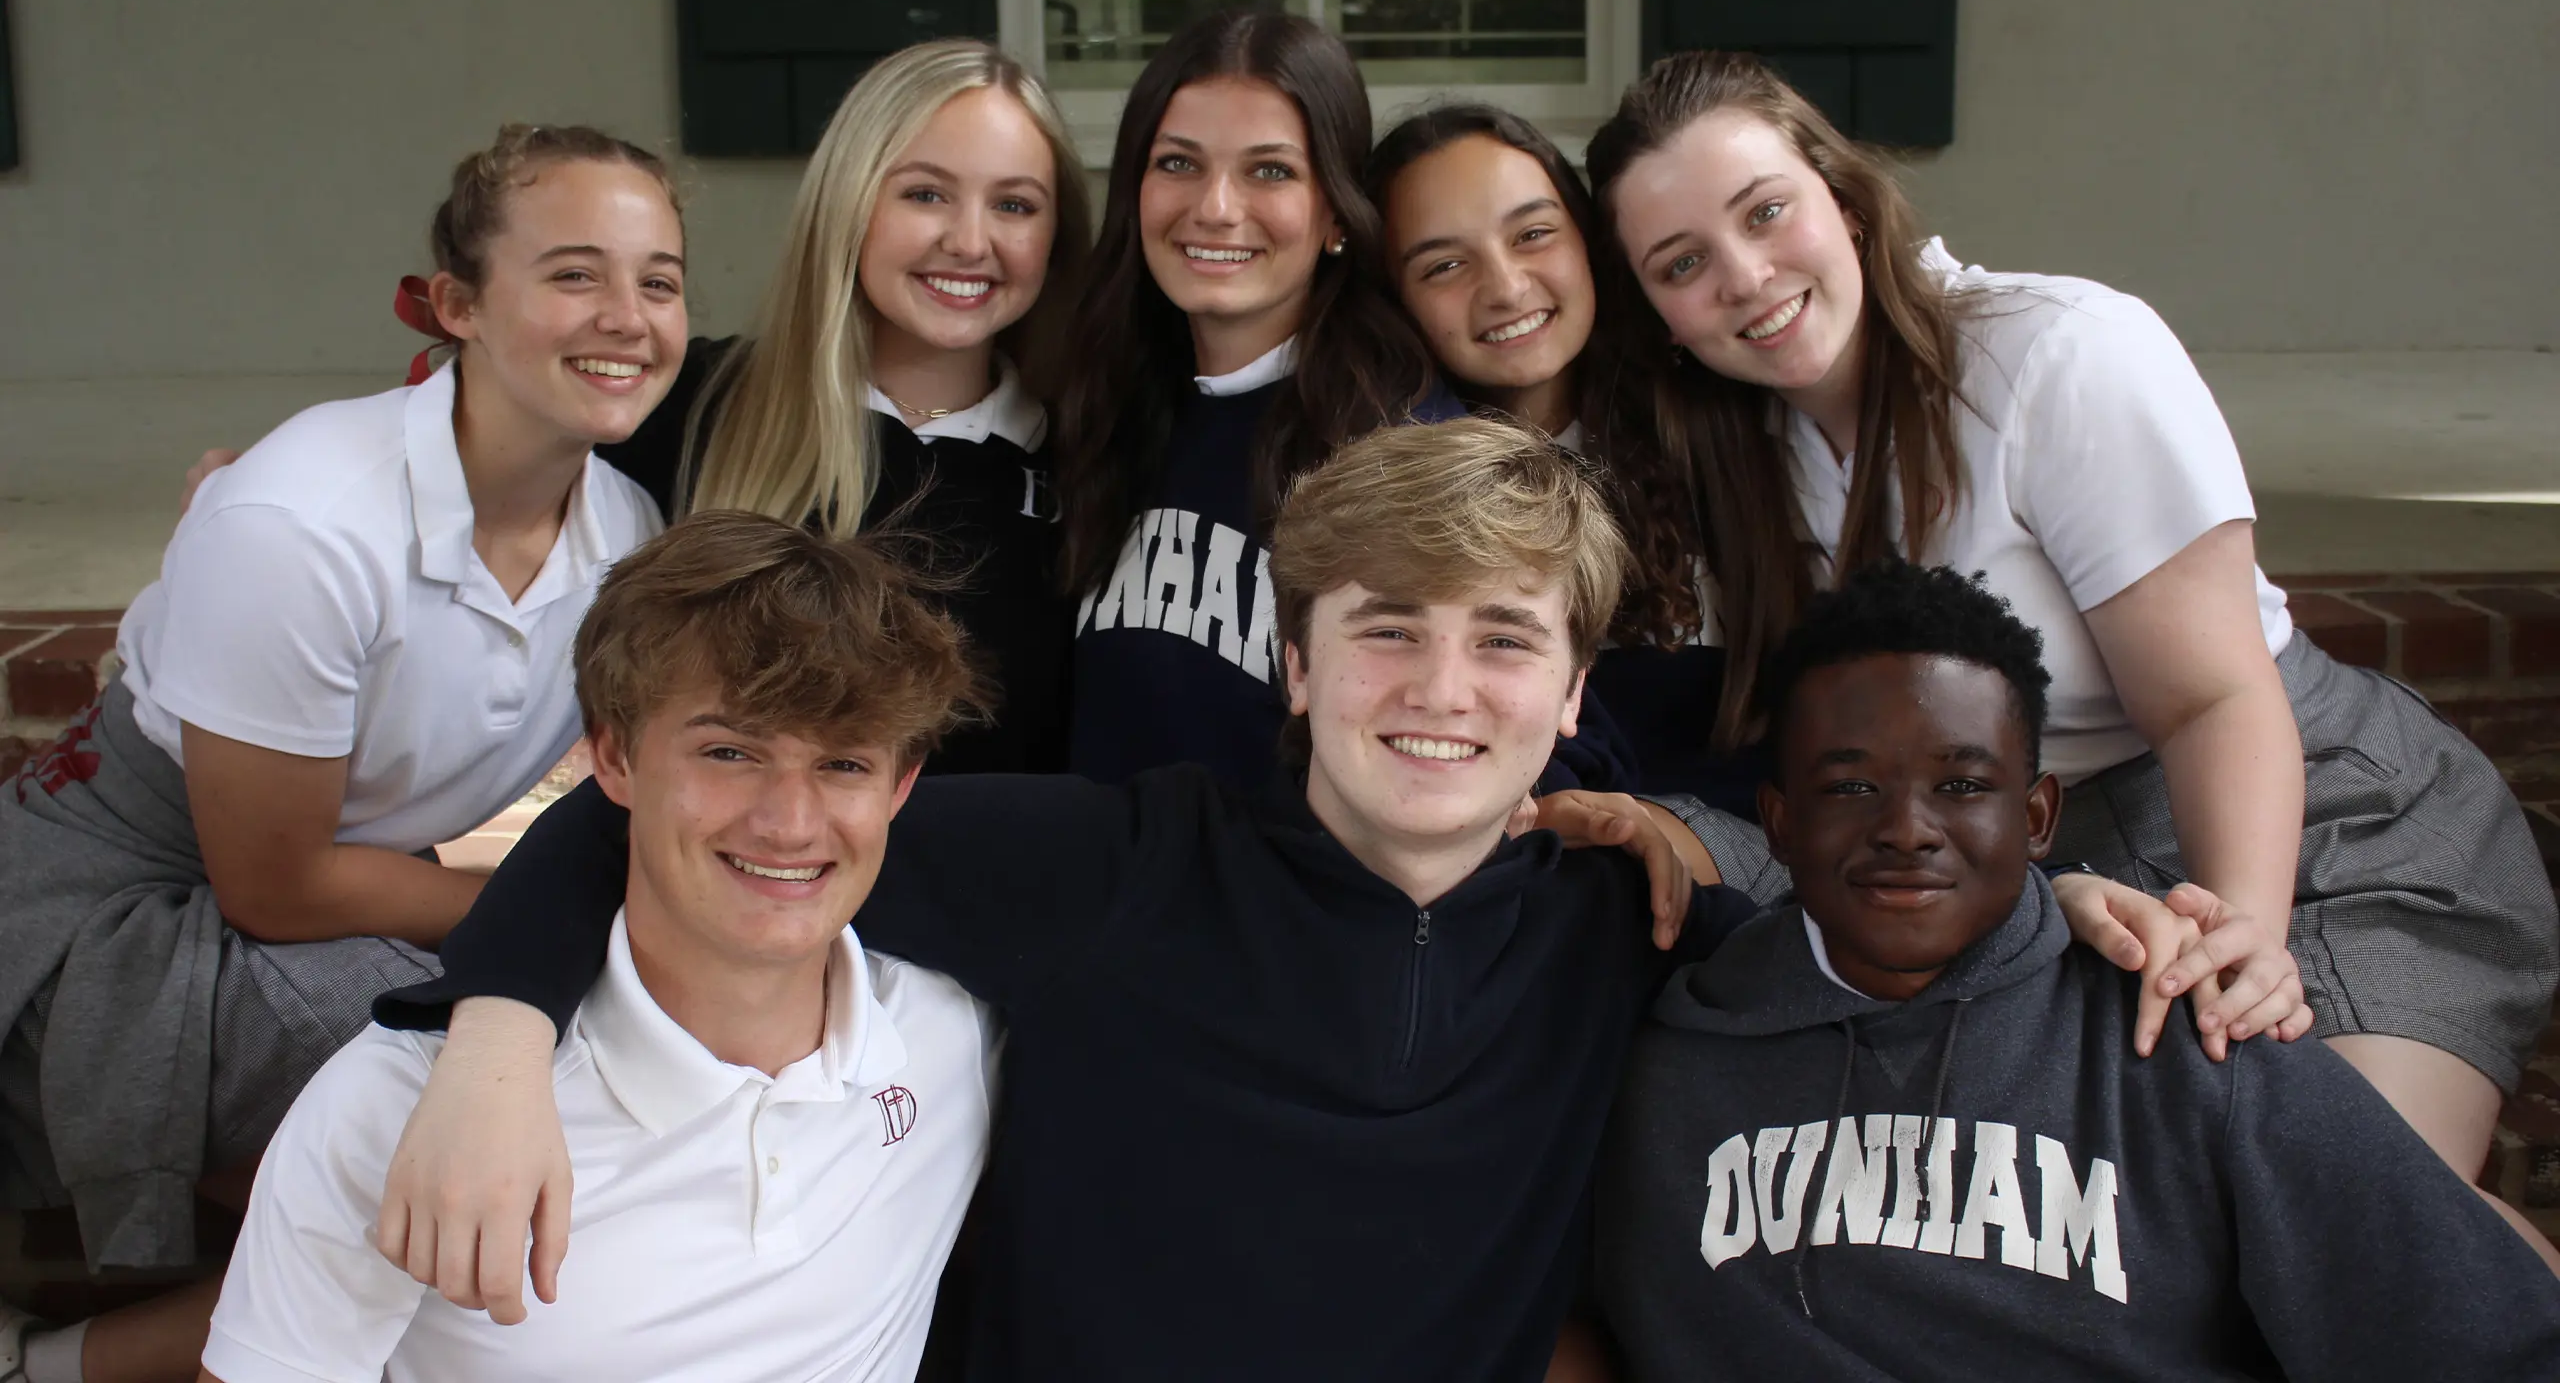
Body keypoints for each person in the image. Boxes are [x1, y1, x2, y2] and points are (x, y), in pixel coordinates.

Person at [365, 417, 1758, 1381]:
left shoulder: (1613, 924)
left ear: (1575, 691)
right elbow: (653, 830)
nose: (1441, 689)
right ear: (1293, 664)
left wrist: (1682, 845)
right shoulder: (1119, 866)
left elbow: (1871, 976)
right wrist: (495, 1040)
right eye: (1385, 628)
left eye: (1504, 642)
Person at [1584, 50, 2560, 1263]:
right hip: (2057, 882)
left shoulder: (2051, 355)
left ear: (1839, 194)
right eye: (1681, 264)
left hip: (2307, 832)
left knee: (2352, 1227)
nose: (1743, 277)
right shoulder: (1748, 457)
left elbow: (2213, 697)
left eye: (1764, 211)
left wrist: (2241, 929)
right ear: (1657, 317)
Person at [0, 125, 679, 1383]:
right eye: (576, 274)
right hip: (119, 908)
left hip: (321, 889)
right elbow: (275, 885)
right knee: (430, 1093)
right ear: (458, 306)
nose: (628, 317)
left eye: (660, 279)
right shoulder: (302, 521)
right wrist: (540, 915)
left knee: (545, 1069)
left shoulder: (623, 525)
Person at [1593, 558, 2560, 1379]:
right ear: (1780, 822)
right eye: (1851, 786)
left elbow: (2484, 1338)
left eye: (1963, 785)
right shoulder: (1669, 1065)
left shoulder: (2185, 1041)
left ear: (2039, 817)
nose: (1906, 830)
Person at [195, 512, 997, 1383]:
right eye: (729, 752)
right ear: (612, 760)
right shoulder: (397, 1108)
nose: (789, 823)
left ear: (902, 784)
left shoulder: (952, 1039)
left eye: (843, 766)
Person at [178, 41, 1089, 775]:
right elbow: (473, 418)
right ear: (850, 203)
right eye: (925, 193)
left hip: (984, 931)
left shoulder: (1091, 458)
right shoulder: (692, 400)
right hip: (703, 907)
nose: (970, 240)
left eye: (1015, 204)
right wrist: (260, 494)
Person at [1056, 9, 1461, 789]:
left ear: (1337, 213)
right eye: (1177, 163)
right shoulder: (1106, 404)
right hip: (1101, 897)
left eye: (1270, 170)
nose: (1214, 207)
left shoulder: (1407, 453)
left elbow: (1538, 744)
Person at [1367, 102, 1752, 823]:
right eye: (1445, 264)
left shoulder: (1714, 424)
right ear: (1394, 301)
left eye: (1534, 234)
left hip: (1741, 861)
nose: (1507, 287)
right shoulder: (1389, 486)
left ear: (1587, 239)